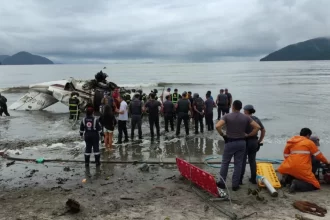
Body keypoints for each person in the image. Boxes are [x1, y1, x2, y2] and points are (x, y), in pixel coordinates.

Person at [215, 100, 261, 191]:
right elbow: (257, 127)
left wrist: (223, 135)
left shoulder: (227, 116)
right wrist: (249, 135)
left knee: (225, 163)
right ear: (240, 107)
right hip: (241, 143)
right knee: (238, 164)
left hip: (230, 141)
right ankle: (235, 185)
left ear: (232, 106)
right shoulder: (246, 117)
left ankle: (222, 183)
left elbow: (217, 126)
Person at [278, 128, 329, 193]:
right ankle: (296, 184)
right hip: (302, 168)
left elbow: (285, 155)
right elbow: (318, 155)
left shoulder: (291, 141)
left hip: (288, 167)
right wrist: (326, 162)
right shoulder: (309, 142)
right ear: (308, 135)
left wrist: (292, 161)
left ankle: (287, 179)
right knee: (315, 185)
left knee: (295, 172)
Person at [240, 105, 266, 184]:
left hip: (244, 141)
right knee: (252, 161)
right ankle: (253, 179)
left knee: (242, 161)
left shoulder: (243, 119)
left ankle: (240, 179)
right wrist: (259, 140)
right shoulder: (256, 119)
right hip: (254, 141)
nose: (243, 111)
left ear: (247, 111)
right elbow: (263, 130)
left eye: (244, 110)